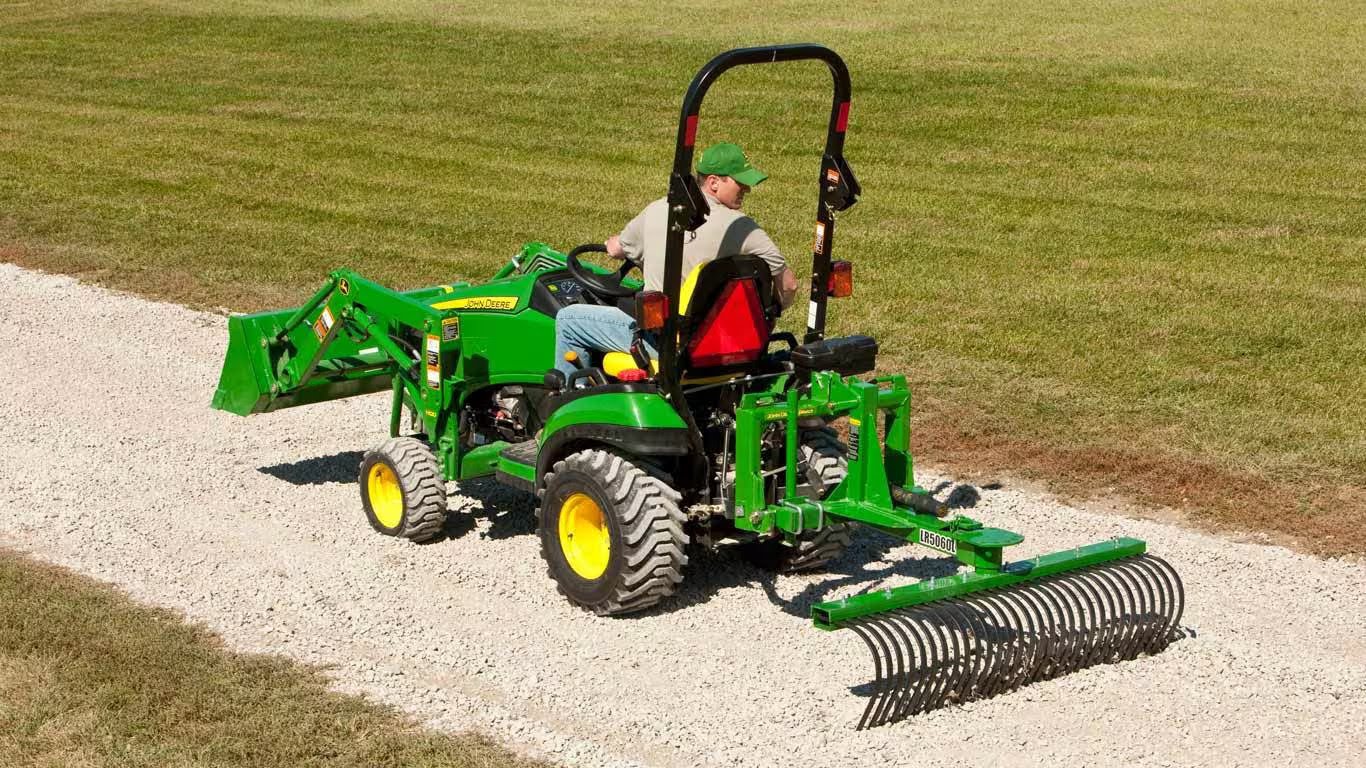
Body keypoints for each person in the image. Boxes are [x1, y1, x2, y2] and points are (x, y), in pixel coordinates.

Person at [552, 142, 798, 379]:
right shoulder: (744, 228)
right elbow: (789, 285)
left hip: (667, 344)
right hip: (724, 343)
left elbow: (617, 249)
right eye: (741, 183)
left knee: (569, 319)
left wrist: (612, 243)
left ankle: (567, 400)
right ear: (713, 182)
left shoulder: (659, 210)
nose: (747, 189)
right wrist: (771, 314)